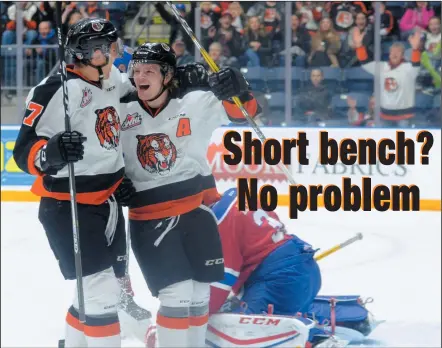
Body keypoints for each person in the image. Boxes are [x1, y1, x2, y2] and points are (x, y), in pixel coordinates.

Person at [119, 42, 260, 347]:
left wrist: (239, 87)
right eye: (137, 71)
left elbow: (245, 114)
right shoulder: (121, 109)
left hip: (196, 213)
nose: (140, 77)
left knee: (199, 294)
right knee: (177, 294)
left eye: (150, 71)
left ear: (168, 75)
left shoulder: (194, 102)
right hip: (151, 219)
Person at [13, 18, 137, 348]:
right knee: (101, 294)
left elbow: (138, 103)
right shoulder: (54, 89)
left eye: (112, 46)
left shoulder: (113, 78)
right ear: (81, 54)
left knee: (95, 291)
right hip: (67, 205)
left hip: (108, 203)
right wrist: (51, 152)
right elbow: (23, 150)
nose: (110, 54)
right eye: (101, 49)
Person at [208, 188, 376, 341]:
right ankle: (347, 320)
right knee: (278, 313)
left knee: (233, 328)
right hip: (301, 266)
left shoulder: (220, 220)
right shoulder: (238, 194)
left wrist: (198, 313)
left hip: (280, 281)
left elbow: (222, 280)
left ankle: (316, 336)